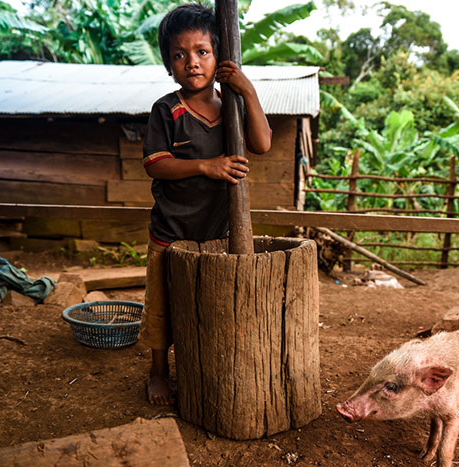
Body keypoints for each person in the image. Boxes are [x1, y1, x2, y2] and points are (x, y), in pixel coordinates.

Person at [139, 2, 271, 405]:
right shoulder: (168, 109)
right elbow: (155, 164)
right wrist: (206, 166)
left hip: (217, 233)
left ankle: (208, 368)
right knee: (162, 306)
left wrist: (247, 90)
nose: (191, 62)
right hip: (172, 231)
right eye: (179, 55)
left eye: (202, 52)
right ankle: (158, 372)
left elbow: (262, 143)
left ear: (217, 57)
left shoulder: (230, 107)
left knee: (211, 306)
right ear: (167, 64)